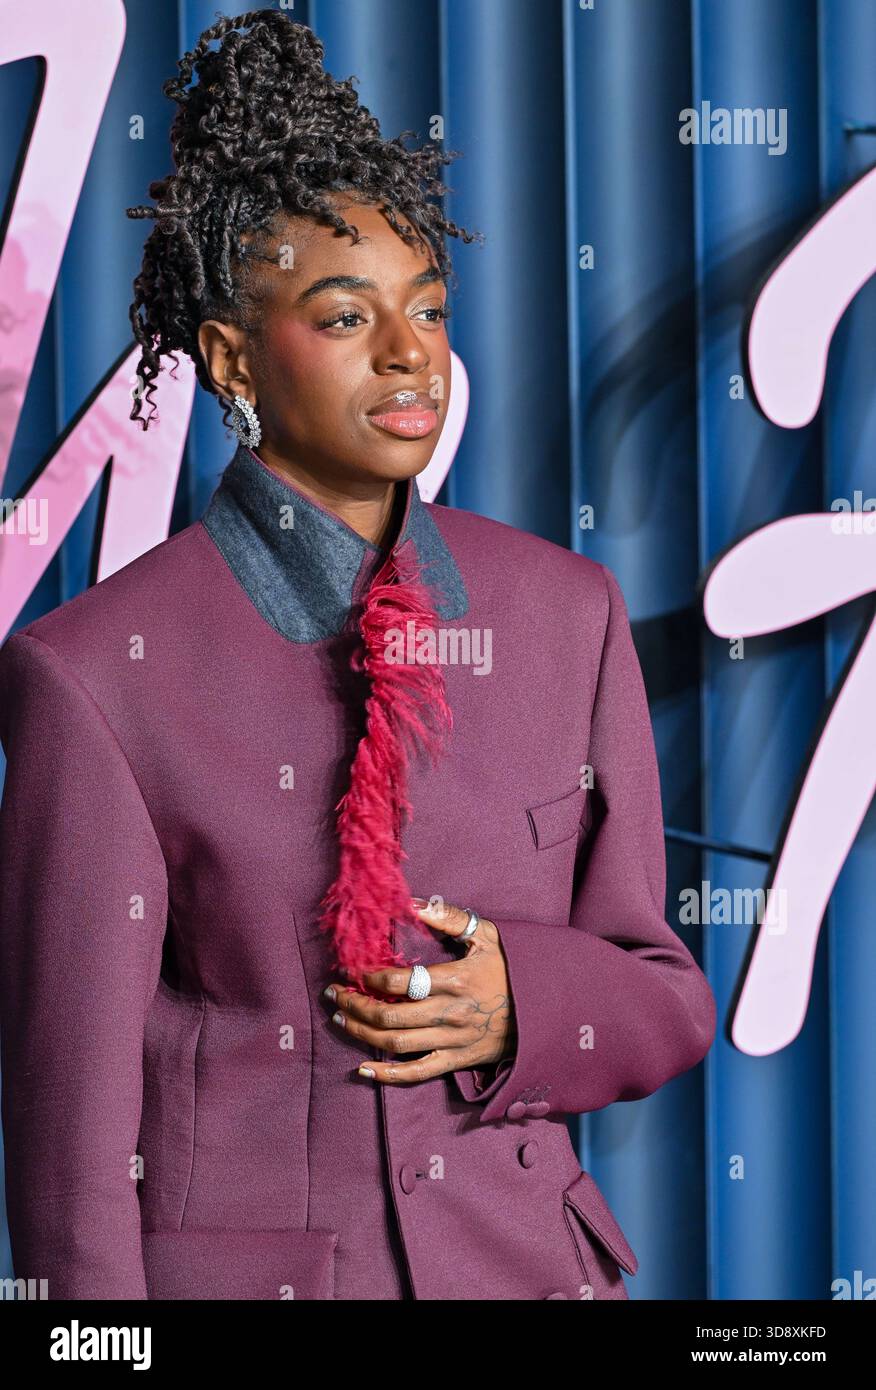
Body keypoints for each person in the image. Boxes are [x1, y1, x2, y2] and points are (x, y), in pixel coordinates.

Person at [0, 10, 716, 1300]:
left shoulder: (567, 616)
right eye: (344, 316)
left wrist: (520, 1005)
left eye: (427, 309)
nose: (408, 354)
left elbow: (663, 995)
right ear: (231, 357)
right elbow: (70, 1151)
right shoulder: (91, 675)